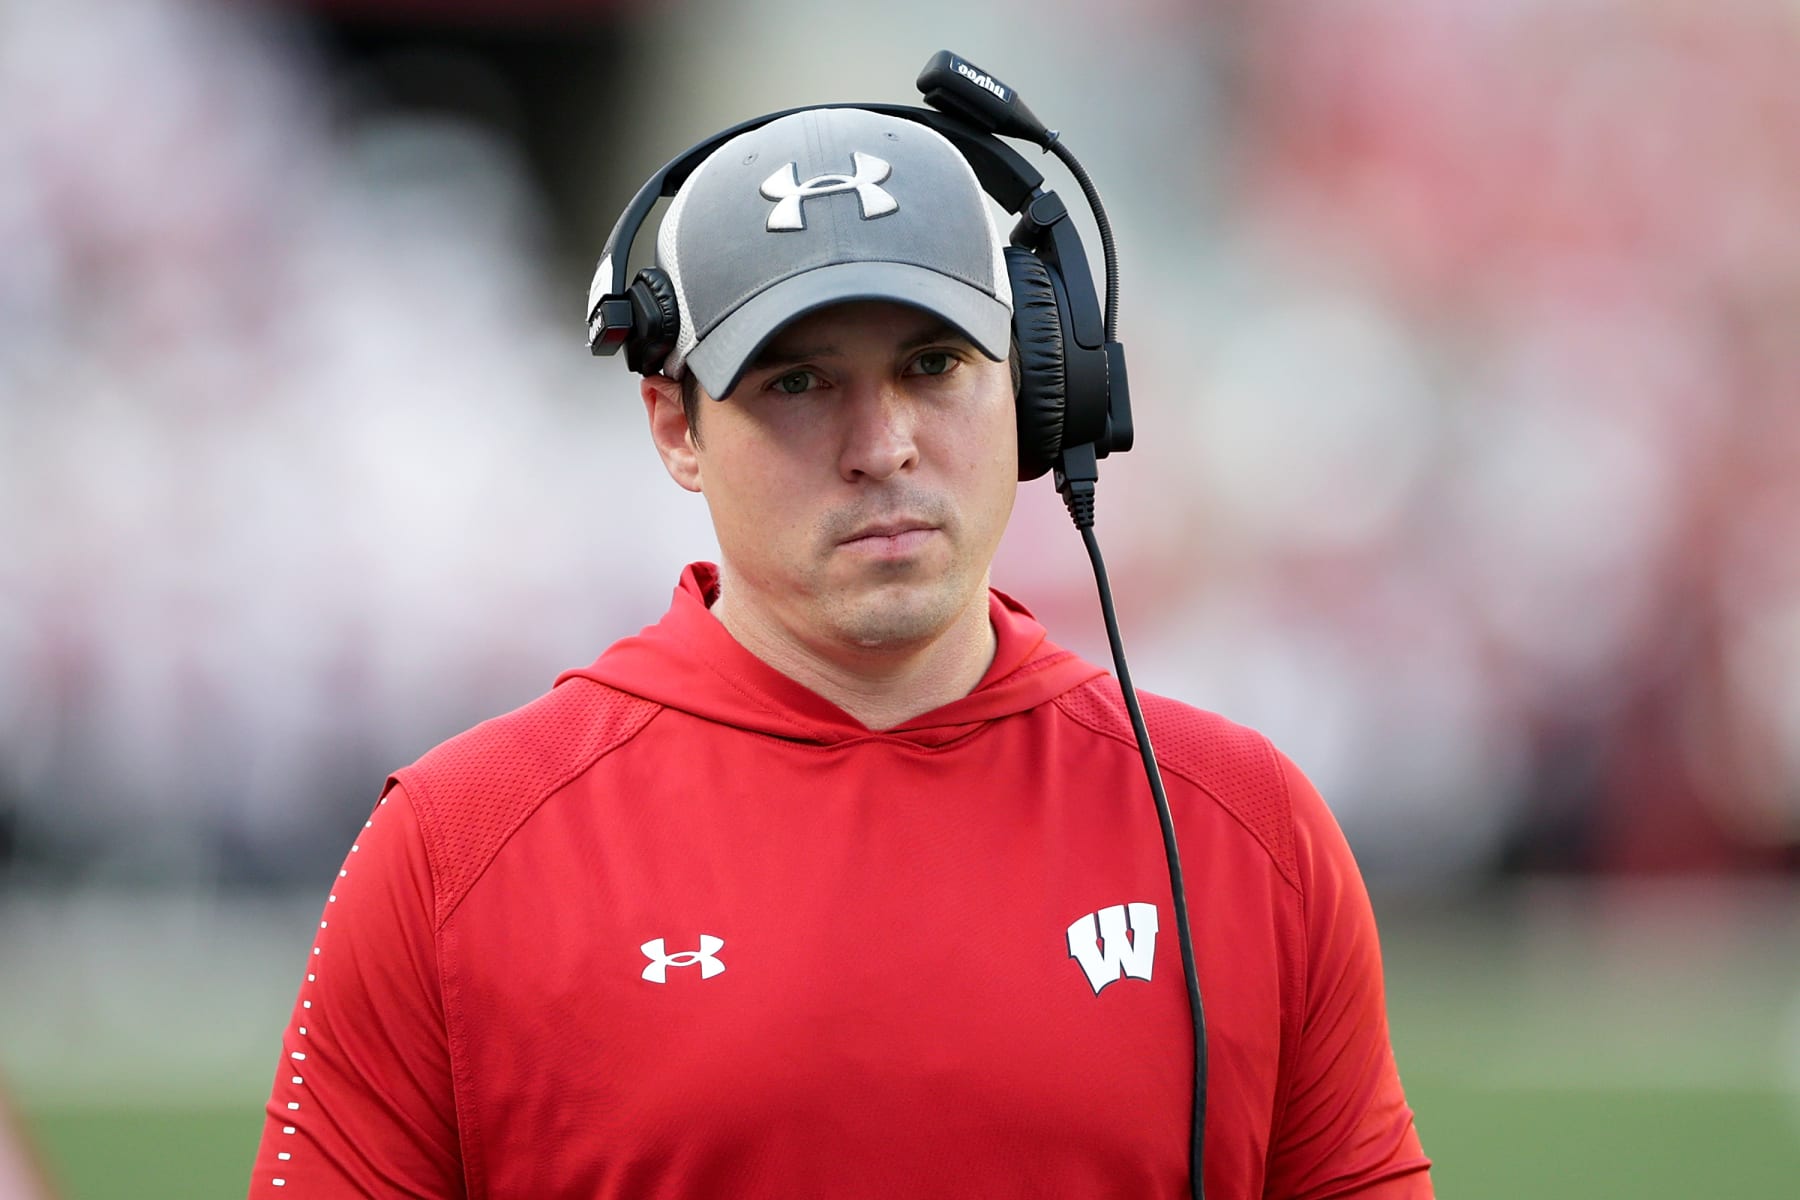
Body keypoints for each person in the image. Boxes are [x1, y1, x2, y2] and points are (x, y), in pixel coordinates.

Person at [248, 100, 1431, 1199]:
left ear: (1039, 384)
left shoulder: (1242, 828)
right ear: (677, 424)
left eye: (934, 365)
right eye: (800, 379)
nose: (883, 444)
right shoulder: (458, 849)